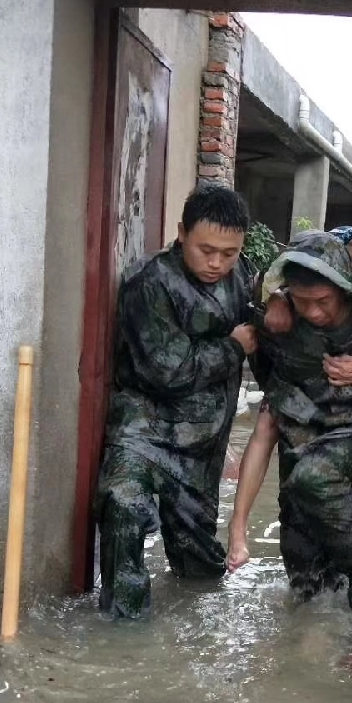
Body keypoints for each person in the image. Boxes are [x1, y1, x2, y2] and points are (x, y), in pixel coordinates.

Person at [227, 206, 352, 569]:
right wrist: (276, 298)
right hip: (308, 375)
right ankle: (238, 529)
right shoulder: (331, 245)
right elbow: (273, 272)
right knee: (271, 420)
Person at [93, 183, 257, 618]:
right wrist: (235, 346)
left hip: (202, 443)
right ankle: (123, 632)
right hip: (144, 431)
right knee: (123, 504)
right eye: (207, 250)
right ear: (182, 233)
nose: (217, 262)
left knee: (199, 566)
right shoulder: (149, 283)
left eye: (230, 252)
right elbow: (168, 370)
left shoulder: (242, 278)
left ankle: (196, 636)